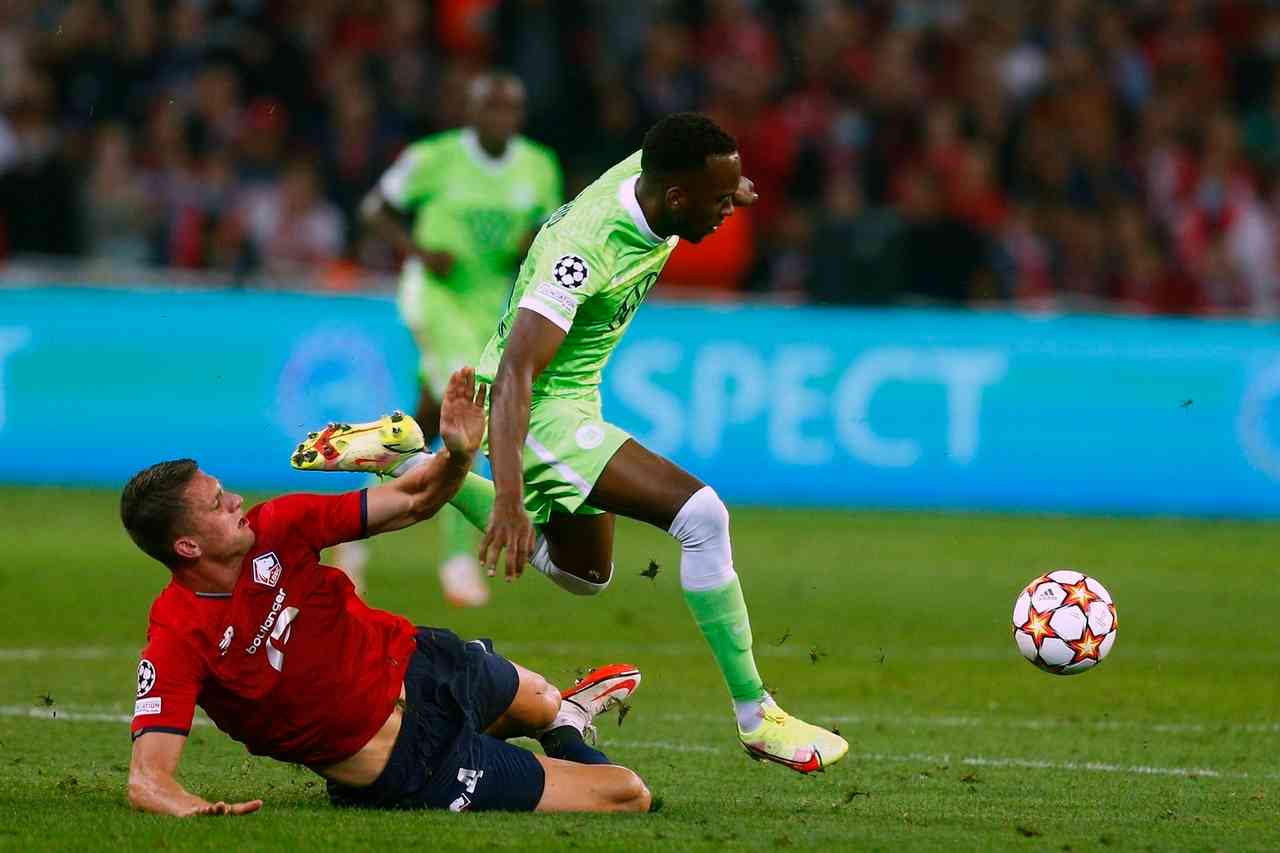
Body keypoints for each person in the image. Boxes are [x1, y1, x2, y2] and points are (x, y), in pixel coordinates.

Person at [471, 112, 848, 773]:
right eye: (719, 200)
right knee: (703, 516)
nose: (730, 210)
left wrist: (728, 186)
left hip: (573, 396)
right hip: (529, 411)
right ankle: (757, 715)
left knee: (583, 575)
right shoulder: (584, 250)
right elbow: (515, 373)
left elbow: (687, 163)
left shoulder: (658, 179)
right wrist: (508, 495)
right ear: (676, 198)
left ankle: (414, 460)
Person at [123, 368, 649, 816]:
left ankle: (561, 719)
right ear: (188, 546)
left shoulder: (277, 525)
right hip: (411, 761)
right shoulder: (178, 636)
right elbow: (148, 779)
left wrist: (459, 455)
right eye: (217, 503)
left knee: (544, 702)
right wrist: (186, 805)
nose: (237, 500)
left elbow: (415, 500)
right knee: (626, 794)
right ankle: (553, 736)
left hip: (425, 664)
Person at [358, 71, 563, 606]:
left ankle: (351, 530)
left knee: (428, 421)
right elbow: (374, 208)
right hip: (435, 296)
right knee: (473, 409)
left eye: (510, 108)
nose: (501, 117)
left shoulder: (539, 165)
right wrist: (420, 252)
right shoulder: (434, 157)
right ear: (471, 112)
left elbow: (549, 232)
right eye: (490, 106)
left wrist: (531, 243)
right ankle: (457, 560)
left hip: (490, 307)